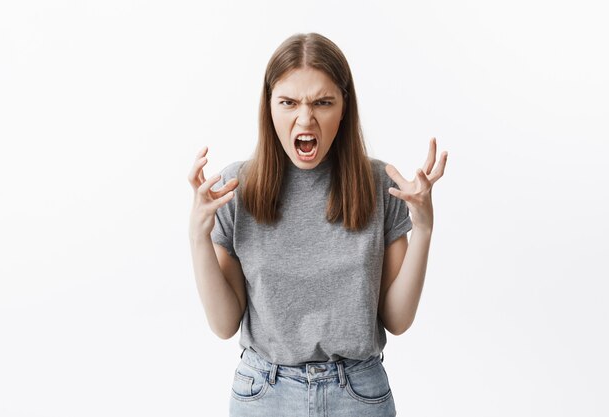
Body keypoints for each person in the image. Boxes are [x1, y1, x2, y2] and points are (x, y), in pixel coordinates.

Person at [187, 32, 447, 417]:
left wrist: (422, 226)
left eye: (323, 102)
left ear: (343, 108)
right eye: (288, 102)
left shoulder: (379, 186)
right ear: (269, 107)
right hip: (264, 394)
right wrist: (198, 236)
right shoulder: (237, 189)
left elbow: (397, 319)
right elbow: (224, 324)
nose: (305, 118)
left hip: (359, 395)